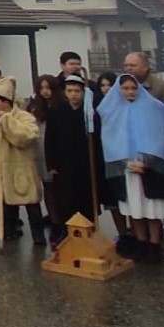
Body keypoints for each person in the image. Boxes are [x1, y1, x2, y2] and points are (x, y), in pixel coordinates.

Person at [99, 72, 164, 262]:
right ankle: (140, 243)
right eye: (125, 88)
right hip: (127, 167)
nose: (130, 92)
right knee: (135, 208)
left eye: (133, 88)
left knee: (152, 209)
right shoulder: (112, 110)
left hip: (149, 166)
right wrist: (126, 162)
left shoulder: (154, 108)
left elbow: (161, 138)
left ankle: (154, 246)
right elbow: (109, 139)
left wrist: (146, 161)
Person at [0, 78, 44, 246]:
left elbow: (25, 137)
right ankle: (9, 231)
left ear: (5, 101)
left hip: (22, 167)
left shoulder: (24, 117)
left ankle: (38, 235)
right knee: (6, 202)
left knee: (31, 203)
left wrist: (6, 120)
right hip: (1, 168)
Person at [44, 75, 100, 245]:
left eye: (77, 91)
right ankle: (65, 231)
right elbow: (50, 139)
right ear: (65, 92)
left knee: (86, 198)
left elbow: (96, 139)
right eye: (70, 91)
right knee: (65, 199)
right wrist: (52, 164)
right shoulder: (56, 111)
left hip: (85, 163)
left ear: (83, 92)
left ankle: (89, 231)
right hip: (64, 163)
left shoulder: (89, 113)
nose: (74, 95)